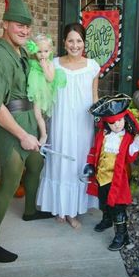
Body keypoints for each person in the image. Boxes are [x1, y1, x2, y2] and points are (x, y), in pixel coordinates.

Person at [0, 0, 52, 263]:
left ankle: (30, 210)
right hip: (11, 128)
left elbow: (38, 69)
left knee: (36, 165)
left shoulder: (19, 51)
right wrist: (23, 135)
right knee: (9, 185)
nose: (24, 30)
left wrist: (39, 54)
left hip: (28, 122)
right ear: (5, 24)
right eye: (19, 24)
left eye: (27, 25)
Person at [37, 22, 100, 229]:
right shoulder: (53, 63)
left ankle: (73, 211)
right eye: (71, 40)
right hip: (61, 119)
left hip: (84, 122)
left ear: (84, 43)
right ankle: (60, 208)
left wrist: (100, 120)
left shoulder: (93, 66)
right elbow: (44, 89)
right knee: (60, 161)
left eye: (79, 41)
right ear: (64, 42)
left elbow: (94, 95)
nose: (75, 45)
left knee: (78, 162)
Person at [83, 94, 139, 251]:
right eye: (112, 123)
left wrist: (136, 146)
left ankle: (121, 236)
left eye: (119, 121)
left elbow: (130, 158)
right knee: (104, 201)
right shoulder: (103, 135)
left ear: (125, 118)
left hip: (118, 179)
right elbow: (95, 151)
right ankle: (106, 220)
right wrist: (90, 165)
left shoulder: (127, 138)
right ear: (106, 123)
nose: (117, 125)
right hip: (101, 176)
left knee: (117, 207)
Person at [26, 34, 67, 144]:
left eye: (45, 51)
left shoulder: (50, 64)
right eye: (39, 52)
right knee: (35, 114)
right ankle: (39, 132)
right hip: (34, 89)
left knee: (38, 114)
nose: (43, 54)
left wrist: (44, 67)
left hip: (42, 91)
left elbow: (50, 78)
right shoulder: (33, 62)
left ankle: (44, 134)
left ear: (50, 51)